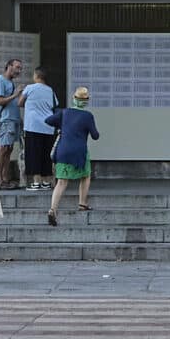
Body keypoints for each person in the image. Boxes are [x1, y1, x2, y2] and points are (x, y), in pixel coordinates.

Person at [45, 87, 102, 226]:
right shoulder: (87, 116)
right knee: (85, 176)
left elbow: (48, 120)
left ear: (74, 98)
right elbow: (95, 136)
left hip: (63, 151)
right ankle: (82, 203)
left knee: (61, 182)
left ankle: (53, 210)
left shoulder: (64, 113)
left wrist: (63, 125)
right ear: (86, 101)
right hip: (79, 152)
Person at [18, 67, 59, 191]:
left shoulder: (30, 88)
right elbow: (54, 104)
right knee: (46, 154)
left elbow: (20, 103)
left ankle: (36, 182)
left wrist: (20, 93)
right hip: (48, 126)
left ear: (36, 76)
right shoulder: (50, 90)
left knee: (33, 153)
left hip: (33, 126)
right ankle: (46, 182)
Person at [0, 58, 24, 188]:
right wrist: (15, 95)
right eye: (17, 67)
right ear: (9, 66)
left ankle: (5, 178)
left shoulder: (10, 82)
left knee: (9, 149)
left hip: (14, 119)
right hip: (6, 119)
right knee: (3, 148)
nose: (19, 71)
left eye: (20, 68)